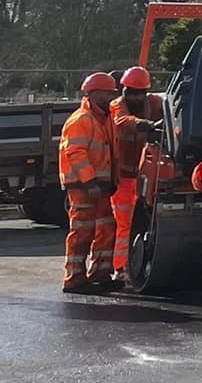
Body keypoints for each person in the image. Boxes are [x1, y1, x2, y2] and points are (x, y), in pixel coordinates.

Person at [57, 73, 119, 293]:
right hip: (84, 187)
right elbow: (76, 153)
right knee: (83, 231)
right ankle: (74, 277)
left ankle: (100, 273)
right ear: (93, 94)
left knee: (105, 227)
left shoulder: (103, 118)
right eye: (107, 93)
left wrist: (109, 181)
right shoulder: (81, 120)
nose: (111, 97)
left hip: (99, 186)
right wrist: (90, 181)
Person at [109, 66, 162, 278]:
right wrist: (148, 125)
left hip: (145, 175)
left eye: (138, 92)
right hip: (122, 177)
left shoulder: (156, 103)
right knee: (125, 223)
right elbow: (122, 122)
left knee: (145, 219)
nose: (134, 96)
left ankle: (138, 262)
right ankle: (121, 268)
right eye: (130, 91)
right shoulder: (117, 106)